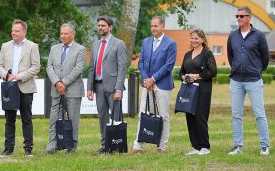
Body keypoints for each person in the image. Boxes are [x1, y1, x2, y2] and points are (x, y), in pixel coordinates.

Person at [227, 6, 271, 155]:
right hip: (236, 81)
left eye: (241, 16)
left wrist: (257, 70)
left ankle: (264, 146)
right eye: (237, 16)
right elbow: (230, 56)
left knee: (259, 113)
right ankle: (238, 146)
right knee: (236, 114)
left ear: (249, 18)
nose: (238, 18)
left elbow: (265, 58)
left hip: (254, 80)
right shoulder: (232, 36)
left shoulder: (259, 35)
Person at [0, 19, 41, 157]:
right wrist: (6, 76)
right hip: (9, 87)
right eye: (12, 30)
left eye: (17, 30)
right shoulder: (5, 46)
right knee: (9, 120)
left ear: (24, 32)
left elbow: (36, 67)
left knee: (26, 119)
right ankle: (8, 149)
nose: (13, 33)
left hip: (25, 87)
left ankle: (28, 149)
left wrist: (19, 76)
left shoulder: (32, 46)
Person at [132, 16, 177, 154]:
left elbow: (168, 65)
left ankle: (162, 147)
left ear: (163, 27)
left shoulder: (171, 43)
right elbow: (141, 62)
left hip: (162, 85)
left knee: (163, 116)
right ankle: (137, 147)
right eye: (152, 26)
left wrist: (153, 79)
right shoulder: (146, 42)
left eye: (156, 26)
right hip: (147, 85)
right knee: (143, 114)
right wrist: (146, 79)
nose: (153, 28)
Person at [86, 17, 128, 154]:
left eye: (103, 25)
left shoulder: (119, 44)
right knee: (102, 117)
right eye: (98, 25)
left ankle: (116, 146)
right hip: (98, 87)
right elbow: (91, 67)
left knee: (116, 118)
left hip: (113, 87)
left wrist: (118, 89)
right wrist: (90, 88)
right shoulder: (95, 44)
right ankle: (105, 146)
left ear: (110, 27)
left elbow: (122, 67)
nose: (100, 28)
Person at [45, 23, 86, 154]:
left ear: (73, 34)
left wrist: (64, 83)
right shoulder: (54, 48)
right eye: (61, 33)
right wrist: (57, 83)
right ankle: (52, 146)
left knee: (73, 120)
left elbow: (78, 69)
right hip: (56, 90)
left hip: (73, 90)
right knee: (53, 118)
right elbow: (49, 67)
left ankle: (71, 147)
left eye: (66, 33)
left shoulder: (80, 49)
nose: (63, 36)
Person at [179, 29, 217, 156]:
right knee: (190, 116)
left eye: (196, 38)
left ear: (202, 40)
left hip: (202, 90)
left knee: (200, 117)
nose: (194, 41)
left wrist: (195, 76)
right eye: (192, 38)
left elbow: (212, 72)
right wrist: (184, 77)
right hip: (189, 90)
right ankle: (195, 147)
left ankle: (204, 147)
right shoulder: (187, 54)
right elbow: (181, 72)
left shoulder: (207, 54)